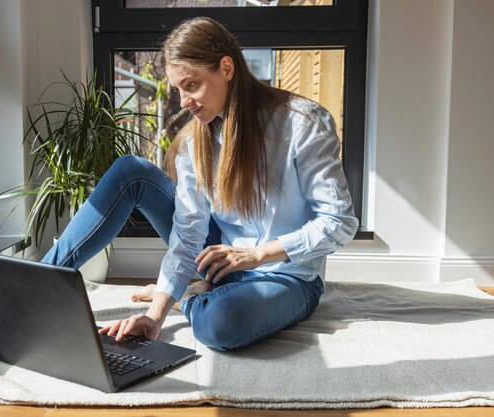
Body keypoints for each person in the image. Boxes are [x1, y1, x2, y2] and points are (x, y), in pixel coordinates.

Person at [45, 16, 358, 351]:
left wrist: (254, 256)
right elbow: (188, 234)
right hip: (218, 260)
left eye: (191, 85)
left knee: (220, 324)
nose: (183, 101)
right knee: (131, 170)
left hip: (286, 275)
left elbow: (339, 223)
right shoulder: (194, 141)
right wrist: (154, 316)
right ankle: (35, 284)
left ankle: (193, 298)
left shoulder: (303, 123)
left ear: (226, 68)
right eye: (178, 89)